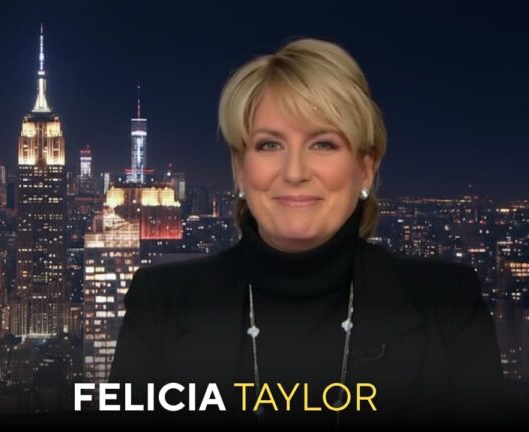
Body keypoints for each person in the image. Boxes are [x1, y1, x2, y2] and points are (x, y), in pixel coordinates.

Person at [109, 38, 506, 427]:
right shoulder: (160, 305)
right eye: (269, 145)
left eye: (322, 144)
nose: (295, 172)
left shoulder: (448, 306)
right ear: (241, 169)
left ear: (365, 168)